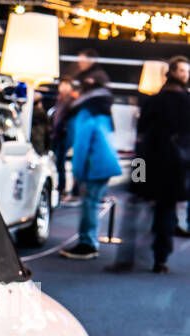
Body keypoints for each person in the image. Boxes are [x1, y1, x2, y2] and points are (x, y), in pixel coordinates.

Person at [108, 56, 190, 273]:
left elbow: (141, 133)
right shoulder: (185, 102)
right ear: (173, 72)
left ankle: (127, 258)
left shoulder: (153, 101)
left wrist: (137, 171)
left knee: (135, 207)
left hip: (145, 162)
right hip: (173, 166)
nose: (185, 75)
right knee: (166, 211)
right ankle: (160, 260)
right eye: (183, 71)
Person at [60, 75, 123, 260]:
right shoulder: (102, 113)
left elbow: (81, 145)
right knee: (92, 203)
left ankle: (87, 243)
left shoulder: (85, 113)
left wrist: (77, 172)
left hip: (95, 165)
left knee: (89, 204)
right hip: (104, 163)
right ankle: (89, 241)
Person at [50, 78, 76, 198]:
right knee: (57, 160)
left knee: (60, 161)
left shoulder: (71, 103)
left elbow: (65, 120)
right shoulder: (61, 101)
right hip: (58, 134)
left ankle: (61, 187)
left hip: (64, 135)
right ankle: (59, 186)